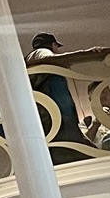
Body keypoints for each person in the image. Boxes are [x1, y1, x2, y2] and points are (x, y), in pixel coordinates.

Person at [26, 33, 83, 162]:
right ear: (53, 45)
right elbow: (51, 59)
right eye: (56, 47)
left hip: (48, 114)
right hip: (59, 111)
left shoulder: (28, 60)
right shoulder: (41, 52)